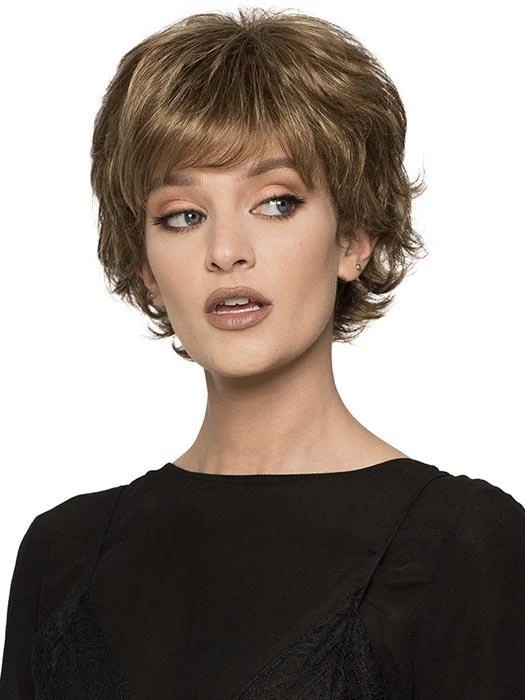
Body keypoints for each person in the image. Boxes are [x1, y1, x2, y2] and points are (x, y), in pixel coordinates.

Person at [1, 8, 524, 699]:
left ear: (354, 238)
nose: (225, 251)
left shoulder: (462, 546)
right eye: (183, 215)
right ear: (146, 265)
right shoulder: (61, 554)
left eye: (276, 203)